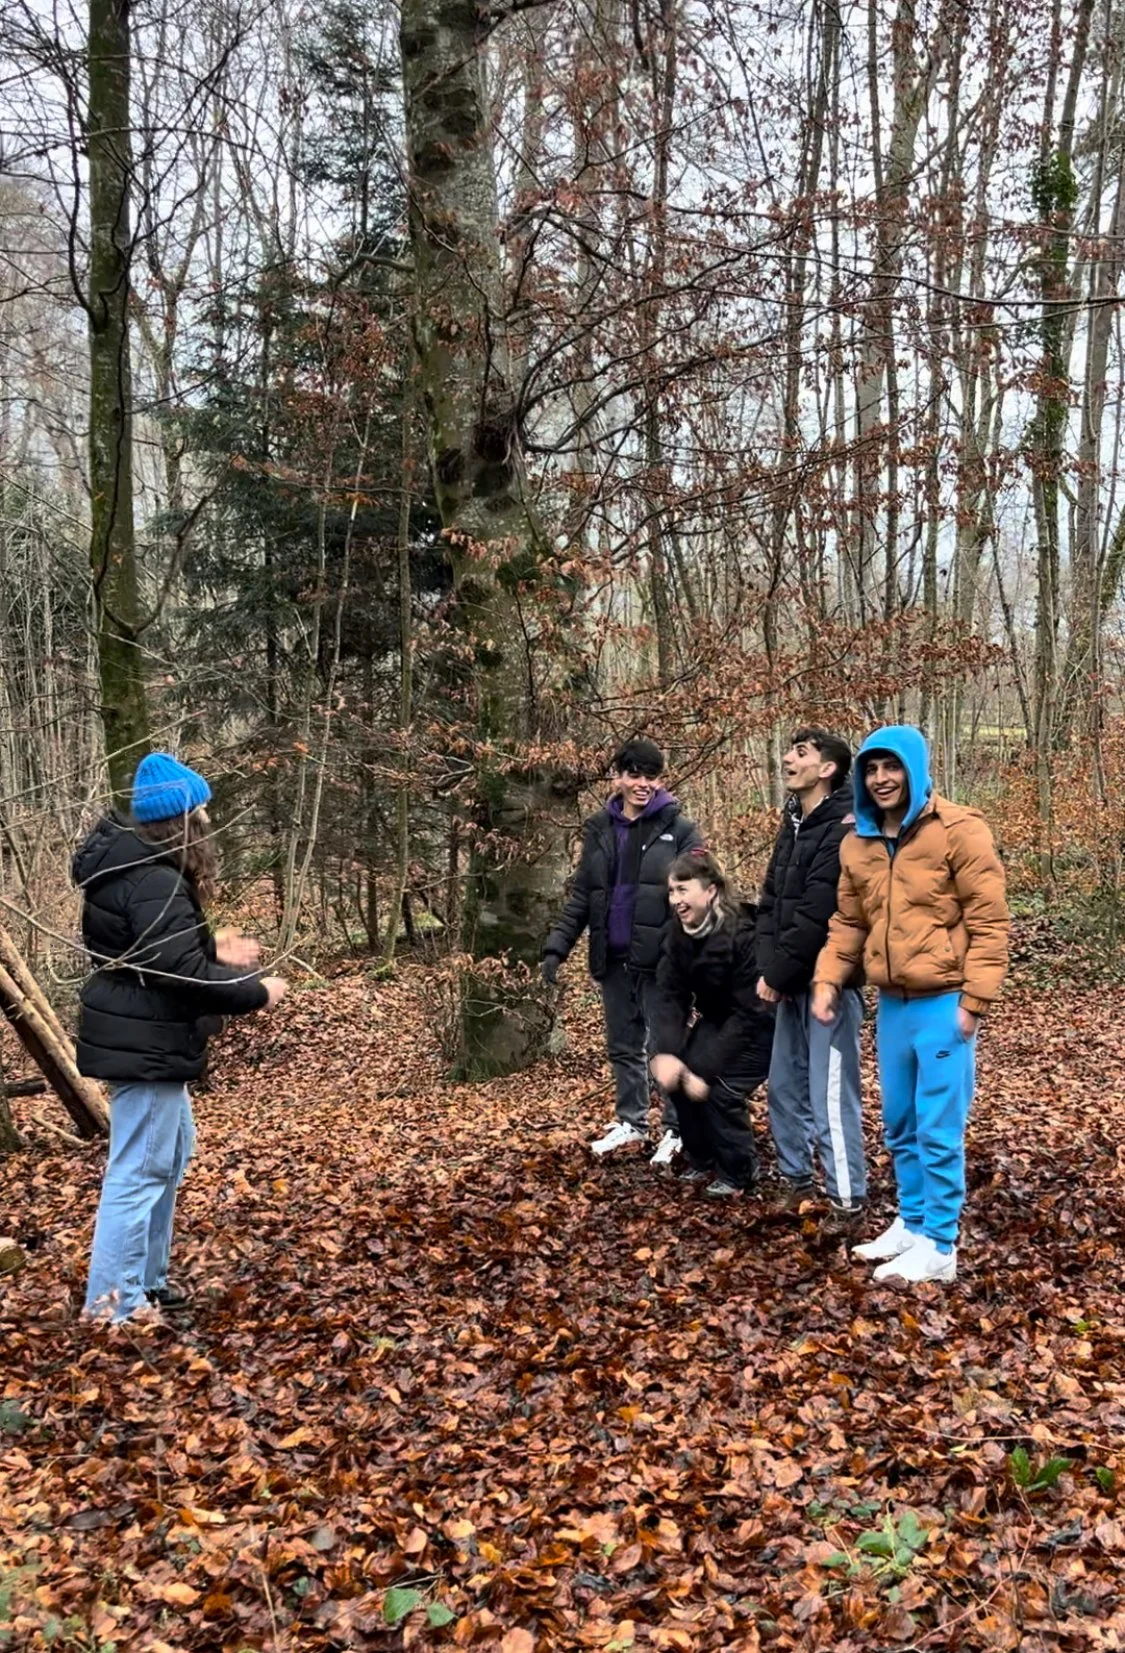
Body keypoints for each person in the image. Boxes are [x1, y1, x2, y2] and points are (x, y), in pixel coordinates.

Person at [75, 752, 287, 1322]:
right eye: (203, 812)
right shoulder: (154, 879)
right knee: (138, 1171)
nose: (210, 822)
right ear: (184, 819)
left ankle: (145, 1282)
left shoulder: (139, 873)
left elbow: (144, 952)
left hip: (146, 1034)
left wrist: (213, 950)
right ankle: (112, 1307)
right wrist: (256, 991)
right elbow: (179, 975)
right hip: (145, 1041)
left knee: (167, 1156)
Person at [811, 726, 1009, 1284]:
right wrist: (828, 979)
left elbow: (990, 923)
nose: (881, 779)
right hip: (891, 1004)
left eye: (891, 768)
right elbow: (849, 921)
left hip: (943, 1002)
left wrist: (975, 1000)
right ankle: (914, 1220)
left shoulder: (960, 831)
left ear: (914, 770)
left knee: (937, 1128)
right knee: (899, 1124)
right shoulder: (858, 842)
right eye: (871, 770)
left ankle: (940, 1244)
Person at [541, 738, 701, 1158]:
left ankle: (678, 1128)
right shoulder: (599, 829)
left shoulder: (679, 830)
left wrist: (694, 953)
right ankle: (632, 1122)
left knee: (665, 1045)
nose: (643, 784)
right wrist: (558, 946)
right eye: (635, 775)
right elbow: (583, 895)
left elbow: (699, 895)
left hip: (662, 961)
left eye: (652, 776)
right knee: (624, 1046)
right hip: (612, 957)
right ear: (618, 777)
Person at [756, 727, 867, 1227]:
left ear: (827, 769)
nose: (786, 759)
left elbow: (819, 911)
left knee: (829, 1094)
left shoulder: (843, 826)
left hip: (830, 985)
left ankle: (847, 1201)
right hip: (789, 984)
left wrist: (777, 971)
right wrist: (768, 966)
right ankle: (795, 1181)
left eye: (799, 752)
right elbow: (771, 902)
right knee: (782, 1086)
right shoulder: (794, 821)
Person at [649, 850, 774, 1194]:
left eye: (683, 890)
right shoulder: (677, 935)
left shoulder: (745, 933)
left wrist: (702, 1069)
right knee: (678, 1079)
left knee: (718, 1090)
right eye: (672, 891)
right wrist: (668, 1052)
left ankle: (739, 1173)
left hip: (762, 1024)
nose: (675, 900)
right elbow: (670, 996)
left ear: (711, 891)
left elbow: (752, 1010)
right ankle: (701, 1158)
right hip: (718, 1019)